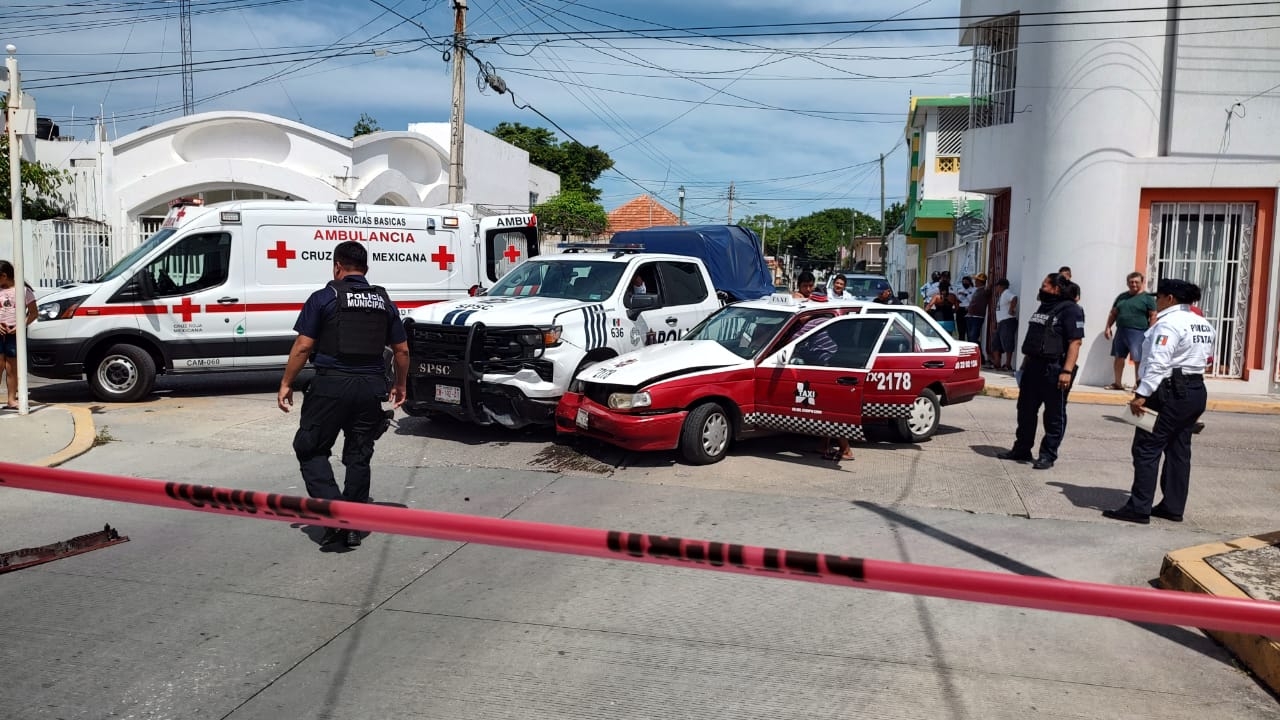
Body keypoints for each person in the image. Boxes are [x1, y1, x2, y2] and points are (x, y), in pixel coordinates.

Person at [278, 240, 410, 549]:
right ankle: (353, 522)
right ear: (366, 268)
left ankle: (335, 514)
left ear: (337, 266)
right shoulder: (384, 302)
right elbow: (401, 350)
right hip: (369, 388)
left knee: (310, 448)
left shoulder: (324, 298)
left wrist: (286, 382)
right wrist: (400, 384)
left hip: (331, 387)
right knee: (358, 454)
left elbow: (304, 346)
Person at [1103, 279, 1214, 524]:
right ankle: (1173, 506)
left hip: (1168, 390)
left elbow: (1158, 362)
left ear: (1170, 299)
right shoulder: (1202, 323)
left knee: (1146, 448)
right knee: (1178, 449)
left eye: (1159, 297)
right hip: (1195, 389)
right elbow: (1207, 359)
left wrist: (1142, 393)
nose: (1156, 301)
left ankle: (1138, 508)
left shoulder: (1168, 324)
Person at [997, 273, 1085, 470]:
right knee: (1026, 410)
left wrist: (1067, 371)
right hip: (1033, 366)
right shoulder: (1044, 307)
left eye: (1045, 285)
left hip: (1055, 368)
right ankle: (1022, 449)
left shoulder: (1071, 310)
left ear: (1056, 289)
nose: (1041, 288)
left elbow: (1075, 342)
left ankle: (1047, 455)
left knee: (1054, 415)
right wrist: (1024, 366)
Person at [1103, 272, 1156, 391]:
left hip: (1139, 332)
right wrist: (1108, 327)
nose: (1134, 284)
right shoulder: (1121, 297)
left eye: (1136, 282)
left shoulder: (1148, 298)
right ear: (1127, 283)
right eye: (1131, 282)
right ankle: (1117, 383)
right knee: (1118, 357)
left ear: (1142, 282)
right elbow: (1113, 313)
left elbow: (1153, 315)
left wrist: (1151, 332)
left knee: (1138, 359)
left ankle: (1138, 384)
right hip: (1121, 331)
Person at [0, 260, 38, 410]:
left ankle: (11, 399)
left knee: (12, 367)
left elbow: (34, 313)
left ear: (4, 276)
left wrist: (21, 326)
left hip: (14, 334)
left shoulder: (23, 291)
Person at [990, 278, 1018, 371]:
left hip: (1007, 321)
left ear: (1001, 286)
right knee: (996, 343)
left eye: (997, 286)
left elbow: (1014, 298)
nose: (996, 288)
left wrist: (1011, 309)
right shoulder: (1001, 296)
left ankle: (1008, 364)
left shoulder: (1006, 293)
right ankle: (997, 362)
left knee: (1007, 342)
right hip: (1001, 322)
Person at [966, 273, 991, 362]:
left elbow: (989, 287)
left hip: (977, 317)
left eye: (976, 280)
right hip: (970, 316)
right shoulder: (977, 290)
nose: (975, 282)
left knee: (973, 337)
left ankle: (980, 358)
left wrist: (990, 274)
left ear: (981, 281)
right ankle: (976, 357)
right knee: (970, 337)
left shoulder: (984, 290)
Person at [953, 276, 975, 341]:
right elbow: (956, 299)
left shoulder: (973, 290)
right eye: (963, 282)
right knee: (961, 330)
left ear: (970, 282)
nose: (964, 283)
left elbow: (972, 300)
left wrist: (965, 294)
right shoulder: (959, 289)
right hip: (960, 310)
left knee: (969, 330)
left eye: (966, 281)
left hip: (968, 310)